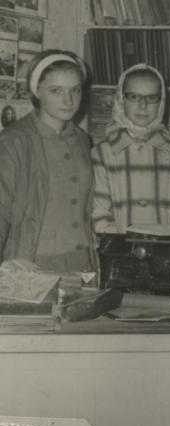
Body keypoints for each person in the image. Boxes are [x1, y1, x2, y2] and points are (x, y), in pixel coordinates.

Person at [0, 49, 94, 271]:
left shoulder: (82, 139)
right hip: (30, 265)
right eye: (56, 91)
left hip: (81, 264)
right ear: (37, 91)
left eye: (75, 90)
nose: (68, 100)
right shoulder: (13, 141)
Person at [91, 63, 170, 233]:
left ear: (161, 101)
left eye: (151, 98)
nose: (143, 105)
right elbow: (99, 215)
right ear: (121, 99)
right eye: (134, 97)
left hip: (167, 251)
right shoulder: (102, 153)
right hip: (119, 250)